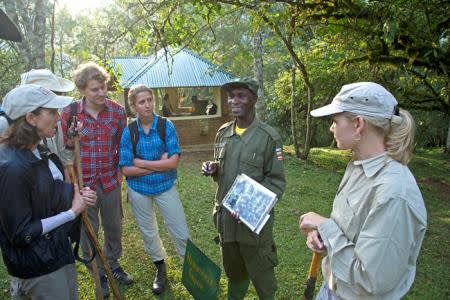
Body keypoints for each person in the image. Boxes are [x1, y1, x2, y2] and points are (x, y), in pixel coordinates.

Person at [299, 82, 427, 300]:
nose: (331, 128)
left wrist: (324, 225)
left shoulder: (394, 194)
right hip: (332, 288)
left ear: (358, 124)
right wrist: (323, 239)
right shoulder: (358, 166)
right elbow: (351, 233)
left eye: (335, 120)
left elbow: (369, 281)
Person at [0, 84, 96, 299]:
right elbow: (20, 232)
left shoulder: (39, 149)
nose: (59, 116)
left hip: (56, 253)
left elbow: (46, 194)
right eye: (51, 112)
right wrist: (72, 213)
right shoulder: (12, 167)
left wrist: (77, 195)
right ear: (31, 118)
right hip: (39, 267)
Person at [202, 77, 286, 299]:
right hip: (226, 221)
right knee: (234, 273)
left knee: (262, 278)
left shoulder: (269, 138)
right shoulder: (223, 133)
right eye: (231, 96)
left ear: (254, 100)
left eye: (241, 95)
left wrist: (248, 207)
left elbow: (276, 182)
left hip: (253, 225)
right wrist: (214, 168)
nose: (233, 101)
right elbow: (224, 170)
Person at [60, 62, 130, 298]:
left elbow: (124, 146)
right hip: (85, 184)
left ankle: (113, 265)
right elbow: (67, 149)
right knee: (89, 232)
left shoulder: (118, 112)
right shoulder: (70, 113)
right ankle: (98, 272)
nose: (101, 93)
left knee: (114, 228)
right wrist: (72, 136)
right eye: (94, 90)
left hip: (110, 181)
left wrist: (120, 172)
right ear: (82, 90)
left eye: (103, 88)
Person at [119, 85, 189, 295]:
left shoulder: (166, 126)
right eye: (142, 102)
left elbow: (173, 162)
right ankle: (160, 269)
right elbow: (126, 169)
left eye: (149, 100)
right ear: (133, 106)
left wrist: (140, 162)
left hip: (165, 187)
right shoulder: (129, 132)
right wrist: (158, 164)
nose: (147, 105)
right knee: (149, 232)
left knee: (180, 230)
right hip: (138, 190)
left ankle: (191, 270)